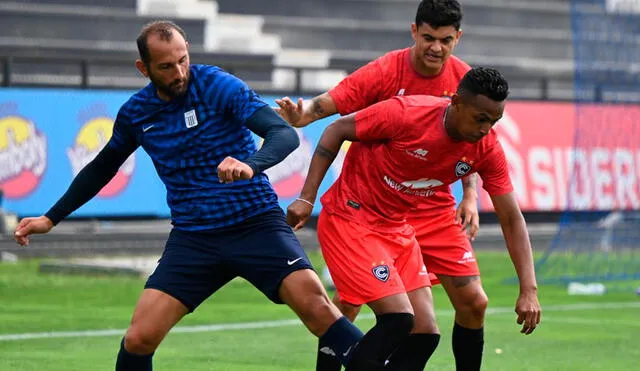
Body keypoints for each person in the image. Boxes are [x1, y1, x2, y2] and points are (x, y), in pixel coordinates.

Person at [13, 21, 386, 371]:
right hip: (195, 238)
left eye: (182, 60)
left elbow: (283, 135)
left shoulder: (217, 85)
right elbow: (102, 167)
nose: (178, 73)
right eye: (166, 67)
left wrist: (250, 165)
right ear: (143, 69)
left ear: (188, 50)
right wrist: (52, 217)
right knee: (139, 338)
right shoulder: (136, 114)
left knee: (319, 309)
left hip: (255, 222)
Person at [276, 1, 492, 370]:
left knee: (471, 303)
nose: (435, 48)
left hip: (433, 207)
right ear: (414, 32)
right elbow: (332, 103)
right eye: (428, 38)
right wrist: (304, 114)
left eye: (444, 40)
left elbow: (470, 141)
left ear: (458, 38)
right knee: (350, 304)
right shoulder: (386, 71)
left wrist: (469, 195)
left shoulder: (465, 82)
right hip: (373, 205)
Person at [287, 67, 542, 371]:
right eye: (480, 119)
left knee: (424, 334)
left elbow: (511, 218)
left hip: (397, 227)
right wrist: (306, 197)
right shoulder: (406, 114)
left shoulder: (486, 147)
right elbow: (336, 129)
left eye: (494, 121)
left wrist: (529, 289)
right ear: (456, 102)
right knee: (395, 319)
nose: (486, 129)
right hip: (351, 218)